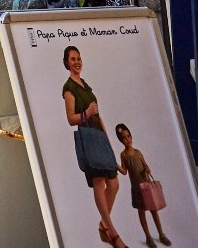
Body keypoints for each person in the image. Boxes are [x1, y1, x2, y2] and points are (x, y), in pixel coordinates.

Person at [63, 45, 128, 248]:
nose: (77, 62)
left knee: (115, 184)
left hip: (99, 135)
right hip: (87, 136)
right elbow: (71, 119)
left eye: (79, 58)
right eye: (73, 59)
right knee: (99, 183)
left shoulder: (85, 85)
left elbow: (98, 117)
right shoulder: (69, 88)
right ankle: (114, 234)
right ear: (66, 62)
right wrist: (88, 113)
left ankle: (103, 225)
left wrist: (109, 145)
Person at [116, 124, 170, 247]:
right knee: (141, 212)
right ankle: (148, 237)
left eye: (128, 136)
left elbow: (146, 166)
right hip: (137, 189)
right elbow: (124, 172)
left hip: (147, 186)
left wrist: (147, 169)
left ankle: (161, 234)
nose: (127, 139)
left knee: (153, 210)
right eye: (124, 138)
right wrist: (116, 166)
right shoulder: (123, 155)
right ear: (120, 140)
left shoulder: (138, 153)